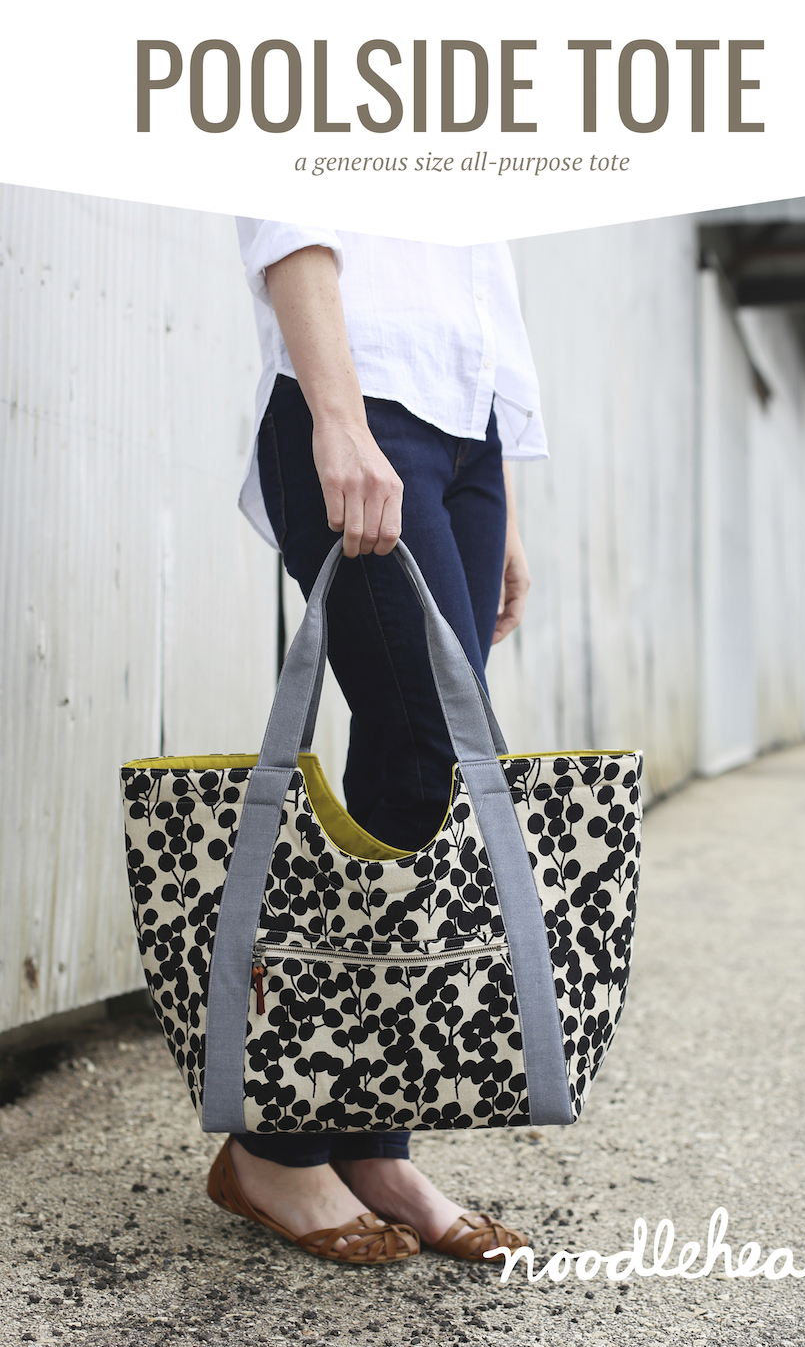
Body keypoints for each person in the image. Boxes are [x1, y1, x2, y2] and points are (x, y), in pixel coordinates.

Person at [207, 223, 549, 1264]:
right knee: (427, 751)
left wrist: (498, 497)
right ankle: (274, 1145)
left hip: (464, 426)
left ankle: (369, 1141)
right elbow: (289, 207)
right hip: (364, 397)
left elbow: (473, 264)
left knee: (421, 776)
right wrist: (338, 417)